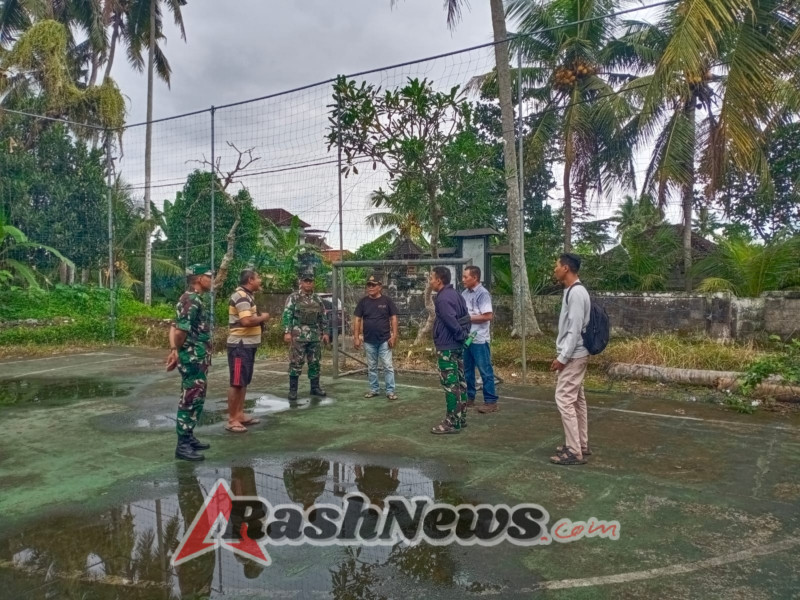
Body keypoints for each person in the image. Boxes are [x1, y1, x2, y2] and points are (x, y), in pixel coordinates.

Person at [166, 264, 213, 461]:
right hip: (193, 358)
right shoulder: (191, 300)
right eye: (209, 277)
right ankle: (182, 445)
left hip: (197, 357)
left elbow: (174, 326)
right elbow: (180, 331)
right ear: (199, 279)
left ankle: (189, 436)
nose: (211, 280)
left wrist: (174, 349)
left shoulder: (191, 299)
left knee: (196, 397)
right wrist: (176, 350)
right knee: (190, 399)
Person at [550, 253, 592, 466]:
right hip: (577, 353)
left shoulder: (576, 293)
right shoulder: (574, 291)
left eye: (557, 265)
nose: (555, 269)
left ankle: (574, 451)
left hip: (574, 354)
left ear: (566, 268)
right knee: (576, 400)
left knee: (564, 399)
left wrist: (562, 357)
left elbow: (574, 329)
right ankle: (580, 444)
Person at [225, 269, 270, 433]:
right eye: (258, 278)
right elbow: (246, 321)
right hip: (240, 346)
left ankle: (240, 414)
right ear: (250, 280)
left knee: (243, 381)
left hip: (247, 345)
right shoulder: (242, 296)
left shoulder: (248, 295)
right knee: (236, 382)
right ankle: (232, 419)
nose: (260, 281)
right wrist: (263, 317)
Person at [429, 266, 470, 434]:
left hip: (448, 347)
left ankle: (452, 422)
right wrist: (463, 337)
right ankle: (461, 417)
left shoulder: (443, 299)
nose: (430, 281)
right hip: (456, 346)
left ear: (439, 280)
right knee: (460, 382)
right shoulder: (456, 294)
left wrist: (460, 336)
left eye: (431, 278)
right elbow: (466, 317)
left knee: (450, 384)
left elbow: (450, 320)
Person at [281, 270, 329, 400]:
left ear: (313, 283)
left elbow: (323, 317)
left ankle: (315, 388)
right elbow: (287, 315)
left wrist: (325, 332)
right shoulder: (294, 297)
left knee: (315, 362)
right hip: (298, 335)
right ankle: (293, 390)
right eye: (305, 281)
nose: (308, 284)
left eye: (310, 281)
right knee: (296, 362)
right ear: (301, 282)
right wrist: (287, 332)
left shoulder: (318, 299)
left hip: (314, 335)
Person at [353, 273, 399, 400]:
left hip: (384, 339)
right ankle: (374, 389)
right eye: (368, 285)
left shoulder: (387, 301)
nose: (370, 287)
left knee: (388, 366)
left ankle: (390, 391)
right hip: (368, 340)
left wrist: (394, 335)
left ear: (380, 287)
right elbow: (357, 319)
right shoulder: (363, 302)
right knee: (372, 366)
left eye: (373, 285)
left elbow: (393, 318)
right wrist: (356, 337)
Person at [461, 266, 499, 413]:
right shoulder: (464, 293)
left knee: (485, 370)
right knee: (467, 370)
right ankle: (469, 397)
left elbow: (488, 315)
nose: (463, 280)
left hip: (479, 339)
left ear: (475, 278)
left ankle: (490, 401)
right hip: (467, 338)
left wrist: (468, 319)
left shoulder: (483, 294)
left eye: (466, 277)